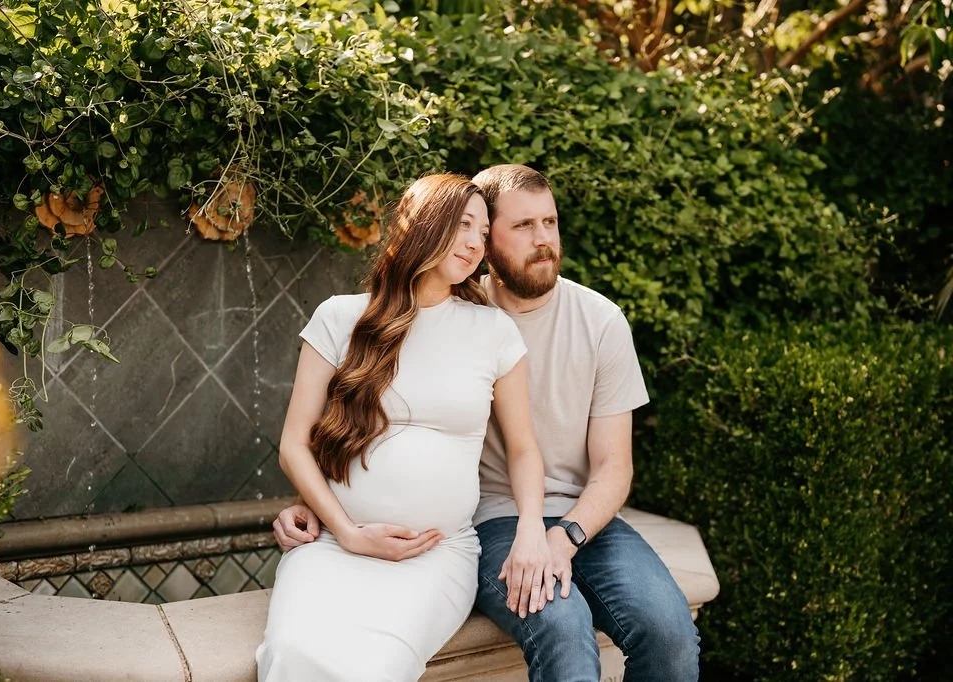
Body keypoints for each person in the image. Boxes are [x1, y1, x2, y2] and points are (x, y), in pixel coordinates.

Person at [273, 164, 701, 681]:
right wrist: (324, 503)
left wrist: (560, 537)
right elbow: (369, 419)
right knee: (562, 628)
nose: (543, 239)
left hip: (574, 519)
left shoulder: (593, 321)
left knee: (671, 633)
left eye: (550, 222)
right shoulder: (444, 301)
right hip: (487, 520)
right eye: (522, 226)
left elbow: (612, 466)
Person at [255, 173, 555, 682]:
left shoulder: (493, 332)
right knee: (288, 654)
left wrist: (532, 528)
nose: (474, 244)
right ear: (422, 224)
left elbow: (523, 449)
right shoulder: (340, 318)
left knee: (378, 668)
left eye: (482, 234)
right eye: (463, 226)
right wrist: (348, 533)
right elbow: (294, 445)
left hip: (435, 556)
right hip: (334, 547)